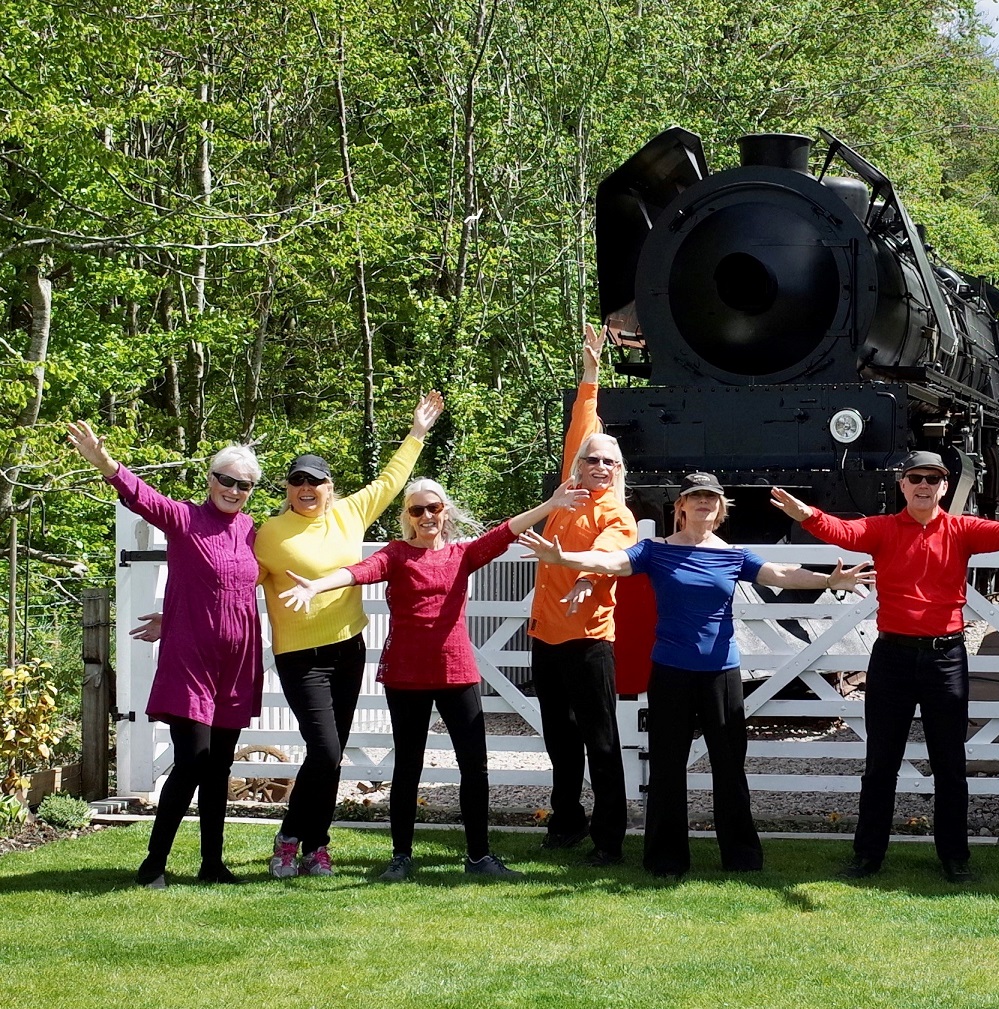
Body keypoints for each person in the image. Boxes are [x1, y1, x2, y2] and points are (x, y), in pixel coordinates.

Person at [519, 473, 873, 878]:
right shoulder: (656, 551)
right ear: (681, 507)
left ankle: (741, 857)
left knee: (729, 767)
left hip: (722, 674)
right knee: (668, 769)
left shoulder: (733, 555)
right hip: (670, 671)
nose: (703, 503)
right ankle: (665, 859)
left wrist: (829, 580)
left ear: (720, 509)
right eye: (695, 497)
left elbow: (781, 574)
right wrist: (565, 559)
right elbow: (612, 562)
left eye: (711, 498)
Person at [771, 452, 999, 882]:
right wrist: (806, 514)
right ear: (902, 484)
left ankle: (954, 858)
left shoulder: (961, 529)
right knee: (880, 763)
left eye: (932, 479)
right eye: (915, 478)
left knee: (950, 765)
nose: (924, 485)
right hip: (892, 658)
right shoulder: (881, 529)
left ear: (945, 487)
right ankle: (868, 856)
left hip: (945, 658)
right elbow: (842, 531)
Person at [278, 477, 588, 880]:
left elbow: (505, 531)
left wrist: (551, 503)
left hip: (456, 673)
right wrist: (318, 585)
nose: (427, 516)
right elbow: (358, 572)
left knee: (474, 766)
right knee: (407, 768)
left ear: (445, 512)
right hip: (406, 677)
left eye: (434, 508)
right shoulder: (397, 555)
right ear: (408, 517)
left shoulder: (463, 554)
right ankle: (400, 858)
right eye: (417, 510)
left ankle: (479, 857)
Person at [66, 421, 264, 887]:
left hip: (235, 669)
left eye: (245, 485)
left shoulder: (252, 530)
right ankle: (153, 865)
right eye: (227, 480)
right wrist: (105, 463)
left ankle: (212, 865)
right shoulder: (184, 519)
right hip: (190, 664)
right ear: (211, 480)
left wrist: (169, 613)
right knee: (193, 763)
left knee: (219, 769)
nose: (234, 490)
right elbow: (142, 497)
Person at [258, 390, 444, 878]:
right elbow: (236, 581)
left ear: (329, 487)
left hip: (347, 649)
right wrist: (176, 618)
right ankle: (289, 837)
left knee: (332, 754)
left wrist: (418, 432)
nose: (306, 488)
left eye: (315, 481)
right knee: (325, 750)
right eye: (297, 480)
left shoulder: (349, 514)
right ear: (287, 487)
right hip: (300, 655)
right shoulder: (270, 533)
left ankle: (316, 846)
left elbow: (391, 480)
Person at [528, 323, 638, 864]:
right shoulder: (569, 495)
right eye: (592, 459)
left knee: (601, 743)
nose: (598, 465)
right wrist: (591, 374)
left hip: (591, 642)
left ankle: (609, 839)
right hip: (547, 637)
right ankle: (566, 821)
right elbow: (583, 424)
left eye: (608, 461)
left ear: (619, 472)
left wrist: (581, 579)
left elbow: (609, 559)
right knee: (559, 742)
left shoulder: (618, 512)